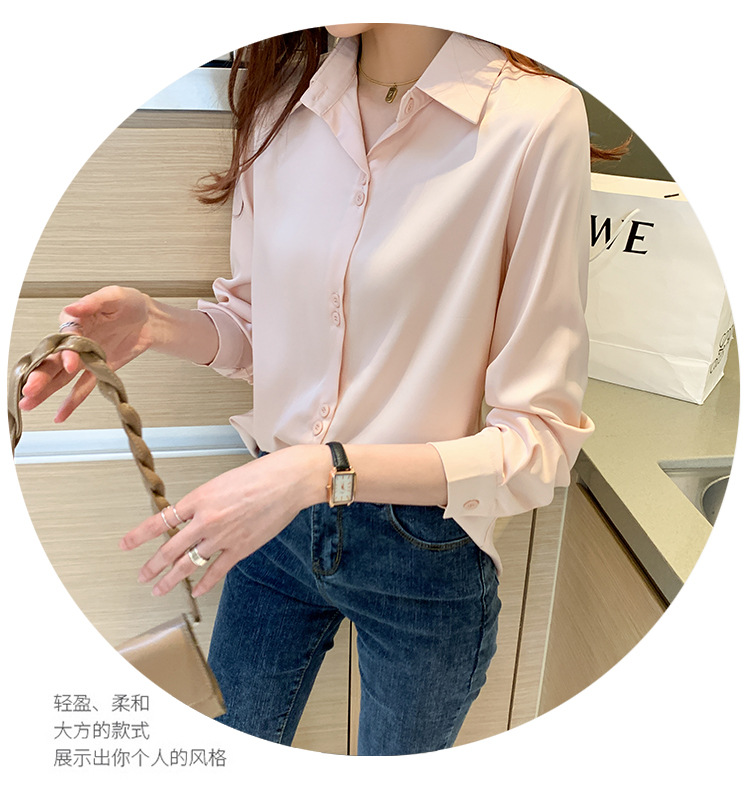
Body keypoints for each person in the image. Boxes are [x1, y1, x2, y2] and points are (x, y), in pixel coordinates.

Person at [20, 23, 604, 755]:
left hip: (421, 545)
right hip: (274, 524)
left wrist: (318, 471)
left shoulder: (533, 120)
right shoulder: (280, 109)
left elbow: (537, 442)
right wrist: (156, 326)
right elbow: (264, 331)